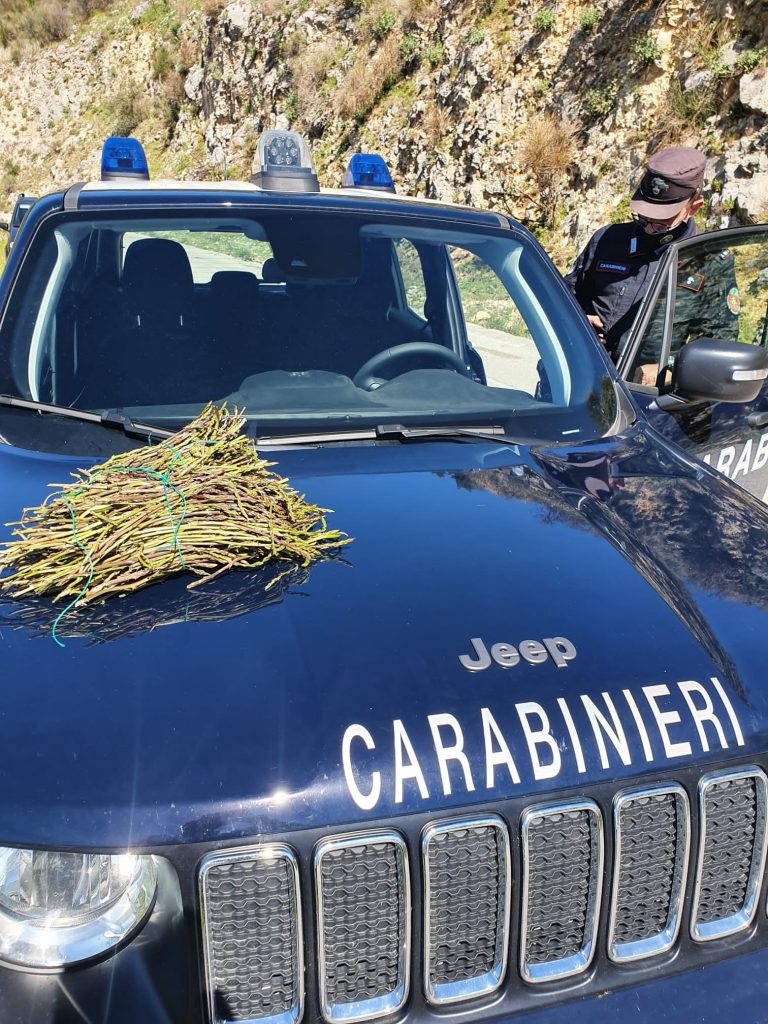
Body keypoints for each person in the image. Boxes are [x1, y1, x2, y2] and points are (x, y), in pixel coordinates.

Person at [565, 147, 739, 385]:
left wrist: (665, 371)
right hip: (579, 379)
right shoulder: (607, 239)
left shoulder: (709, 262)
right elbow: (564, 298)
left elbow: (719, 344)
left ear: (694, 207)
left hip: (648, 401)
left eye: (661, 222)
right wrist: (577, 321)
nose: (648, 229)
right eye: (644, 217)